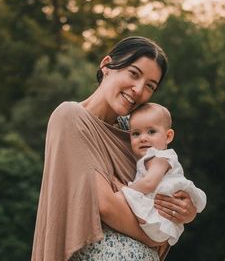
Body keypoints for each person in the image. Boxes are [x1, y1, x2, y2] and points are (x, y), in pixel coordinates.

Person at [32, 36, 198, 261]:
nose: (138, 90)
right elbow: (105, 205)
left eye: (150, 86)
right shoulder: (71, 117)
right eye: (134, 73)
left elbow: (157, 194)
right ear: (107, 65)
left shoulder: (136, 134)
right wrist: (159, 236)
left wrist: (185, 211)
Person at [121, 102, 206, 246]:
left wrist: (123, 190)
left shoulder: (160, 158)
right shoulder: (150, 158)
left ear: (168, 136)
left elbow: (149, 183)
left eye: (151, 132)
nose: (143, 138)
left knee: (126, 197)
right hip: (162, 225)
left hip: (159, 221)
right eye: (136, 133)